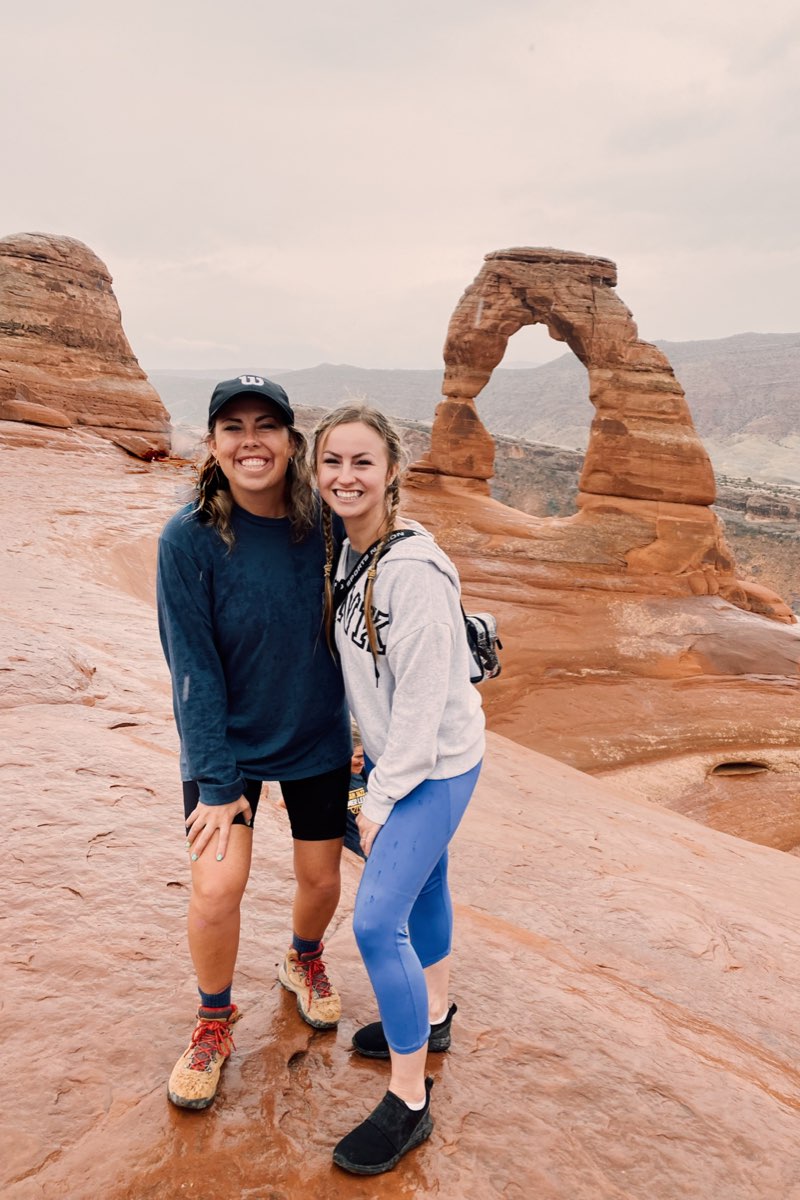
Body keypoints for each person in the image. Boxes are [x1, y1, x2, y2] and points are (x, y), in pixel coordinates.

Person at [157, 375, 351, 1111]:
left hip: (315, 737)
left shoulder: (324, 525)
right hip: (227, 748)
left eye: (265, 426)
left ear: (290, 443)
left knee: (322, 881)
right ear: (213, 446)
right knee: (215, 886)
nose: (250, 441)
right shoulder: (190, 540)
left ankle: (303, 961)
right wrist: (214, 781)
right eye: (232, 427)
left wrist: (366, 746)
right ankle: (214, 1020)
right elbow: (192, 667)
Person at [313, 404, 485, 1175]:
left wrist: (377, 802)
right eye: (332, 464)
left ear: (391, 475)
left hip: (434, 766)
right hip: (400, 760)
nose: (346, 478)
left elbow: (417, 708)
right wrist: (360, 746)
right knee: (426, 889)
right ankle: (435, 1015)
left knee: (379, 924)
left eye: (362, 464)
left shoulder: (409, 573)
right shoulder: (350, 550)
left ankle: (409, 1103)